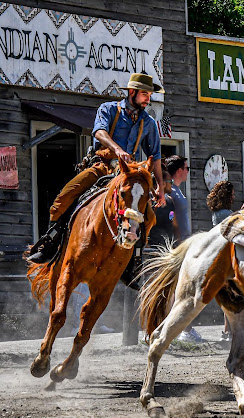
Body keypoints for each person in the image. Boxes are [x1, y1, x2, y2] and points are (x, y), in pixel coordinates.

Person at [27, 73, 166, 265]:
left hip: (127, 174)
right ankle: (49, 245)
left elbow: (155, 157)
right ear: (132, 92)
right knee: (63, 199)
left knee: (148, 217)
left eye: (149, 95)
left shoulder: (149, 123)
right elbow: (99, 132)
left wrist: (160, 187)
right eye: (144, 94)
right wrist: (117, 149)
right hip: (101, 167)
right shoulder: (108, 109)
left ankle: (135, 259)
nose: (148, 99)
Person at [206, 180, 244, 340]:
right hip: (225, 256)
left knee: (229, 293)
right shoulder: (224, 214)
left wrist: (242, 211)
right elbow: (236, 222)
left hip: (221, 255)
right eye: (232, 193)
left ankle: (228, 331)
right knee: (231, 294)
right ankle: (228, 331)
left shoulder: (220, 212)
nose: (234, 196)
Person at [165, 155, 202, 343]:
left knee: (182, 288)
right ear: (179, 170)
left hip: (184, 244)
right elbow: (169, 216)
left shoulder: (176, 189)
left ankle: (182, 329)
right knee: (181, 289)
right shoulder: (169, 189)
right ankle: (182, 330)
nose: (188, 171)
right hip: (178, 245)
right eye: (187, 168)